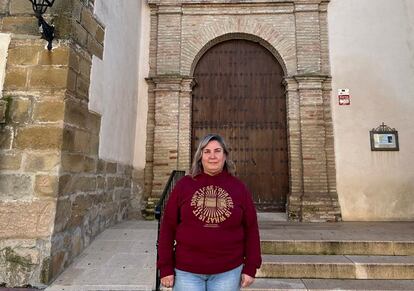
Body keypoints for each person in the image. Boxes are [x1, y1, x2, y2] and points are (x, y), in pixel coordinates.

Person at [157, 133, 262, 291]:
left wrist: (251, 266)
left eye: (217, 151)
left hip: (228, 271)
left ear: (225, 155)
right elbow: (167, 227)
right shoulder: (184, 185)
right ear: (200, 157)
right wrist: (165, 267)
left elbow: (251, 229)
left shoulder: (239, 188)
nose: (212, 156)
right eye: (207, 152)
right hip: (187, 270)